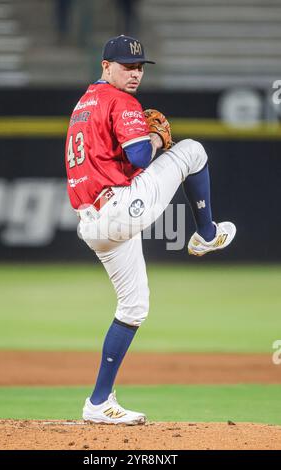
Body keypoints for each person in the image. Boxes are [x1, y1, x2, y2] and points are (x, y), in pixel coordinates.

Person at [65, 35, 236, 425]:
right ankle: (207, 234)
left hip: (93, 223)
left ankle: (98, 403)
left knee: (134, 306)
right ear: (105, 66)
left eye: (140, 67)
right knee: (192, 152)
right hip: (121, 208)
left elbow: (111, 159)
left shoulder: (84, 103)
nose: (135, 73)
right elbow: (141, 156)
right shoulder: (120, 100)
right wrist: (156, 136)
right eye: (127, 66)